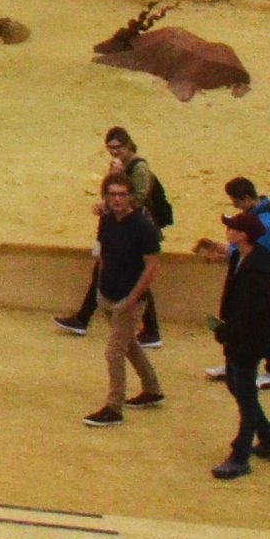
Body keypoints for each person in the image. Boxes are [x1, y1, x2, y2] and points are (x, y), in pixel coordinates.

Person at [54, 128, 166, 348]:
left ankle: (150, 330)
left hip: (134, 229)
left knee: (133, 274)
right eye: (111, 148)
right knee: (103, 270)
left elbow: (137, 198)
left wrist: (111, 195)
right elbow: (109, 190)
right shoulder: (122, 166)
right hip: (120, 225)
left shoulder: (140, 168)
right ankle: (83, 318)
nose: (114, 152)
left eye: (118, 147)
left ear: (128, 145)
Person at [79, 173, 166, 425]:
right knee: (128, 345)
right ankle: (152, 389)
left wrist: (131, 300)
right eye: (112, 194)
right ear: (106, 196)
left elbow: (151, 268)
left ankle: (114, 407)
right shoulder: (106, 221)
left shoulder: (143, 227)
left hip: (128, 300)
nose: (117, 199)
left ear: (130, 197)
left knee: (114, 351)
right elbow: (104, 255)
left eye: (122, 194)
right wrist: (100, 290)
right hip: (107, 295)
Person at [208, 207, 270, 478]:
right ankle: (269, 441)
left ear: (243, 236)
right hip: (241, 337)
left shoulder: (254, 270)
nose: (227, 230)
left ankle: (240, 455)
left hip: (248, 341)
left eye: (232, 228)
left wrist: (227, 331)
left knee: (245, 393)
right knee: (239, 387)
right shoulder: (243, 259)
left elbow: (251, 313)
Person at [199, 176, 270, 390]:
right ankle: (234, 363)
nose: (236, 206)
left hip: (264, 280)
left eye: (236, 201)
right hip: (248, 276)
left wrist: (225, 250)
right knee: (236, 318)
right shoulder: (257, 217)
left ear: (246, 198)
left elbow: (252, 249)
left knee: (266, 324)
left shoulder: (267, 224)